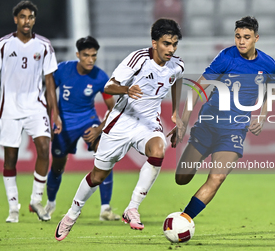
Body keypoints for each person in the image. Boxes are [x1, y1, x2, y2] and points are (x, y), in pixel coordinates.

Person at [54, 18, 184, 241]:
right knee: (97, 176)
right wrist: (126, 89)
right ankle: (71, 215)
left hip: (148, 122)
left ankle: (132, 208)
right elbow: (108, 86)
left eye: (174, 44)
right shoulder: (138, 59)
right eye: (166, 44)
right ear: (154, 43)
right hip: (121, 121)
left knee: (158, 150)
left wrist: (175, 114)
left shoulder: (177, 65)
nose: (171, 49)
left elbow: (176, 79)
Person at [172, 16, 275, 220]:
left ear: (256, 38)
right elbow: (197, 88)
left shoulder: (269, 65)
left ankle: (184, 220)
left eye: (246, 37)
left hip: (234, 130)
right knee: (182, 178)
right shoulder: (225, 57)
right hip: (208, 125)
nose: (241, 41)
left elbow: (268, 92)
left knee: (218, 177)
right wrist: (184, 120)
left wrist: (262, 116)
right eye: (238, 36)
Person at [0, 0, 62, 223]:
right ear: (15, 19)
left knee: (43, 147)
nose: (26, 21)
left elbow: (49, 82)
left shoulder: (44, 46)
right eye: (22, 17)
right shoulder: (3, 44)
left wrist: (54, 111)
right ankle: (13, 208)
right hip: (10, 108)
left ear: (34, 20)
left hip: (35, 107)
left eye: (30, 17)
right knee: (10, 158)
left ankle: (36, 200)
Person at [45, 36, 119, 221]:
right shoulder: (63, 69)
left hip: (88, 120)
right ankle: (50, 204)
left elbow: (113, 108)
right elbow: (49, 87)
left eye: (93, 56)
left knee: (105, 154)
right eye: (86, 55)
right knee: (58, 167)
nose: (90, 60)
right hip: (65, 124)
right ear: (78, 54)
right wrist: (54, 116)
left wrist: (100, 129)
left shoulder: (100, 77)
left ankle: (105, 209)